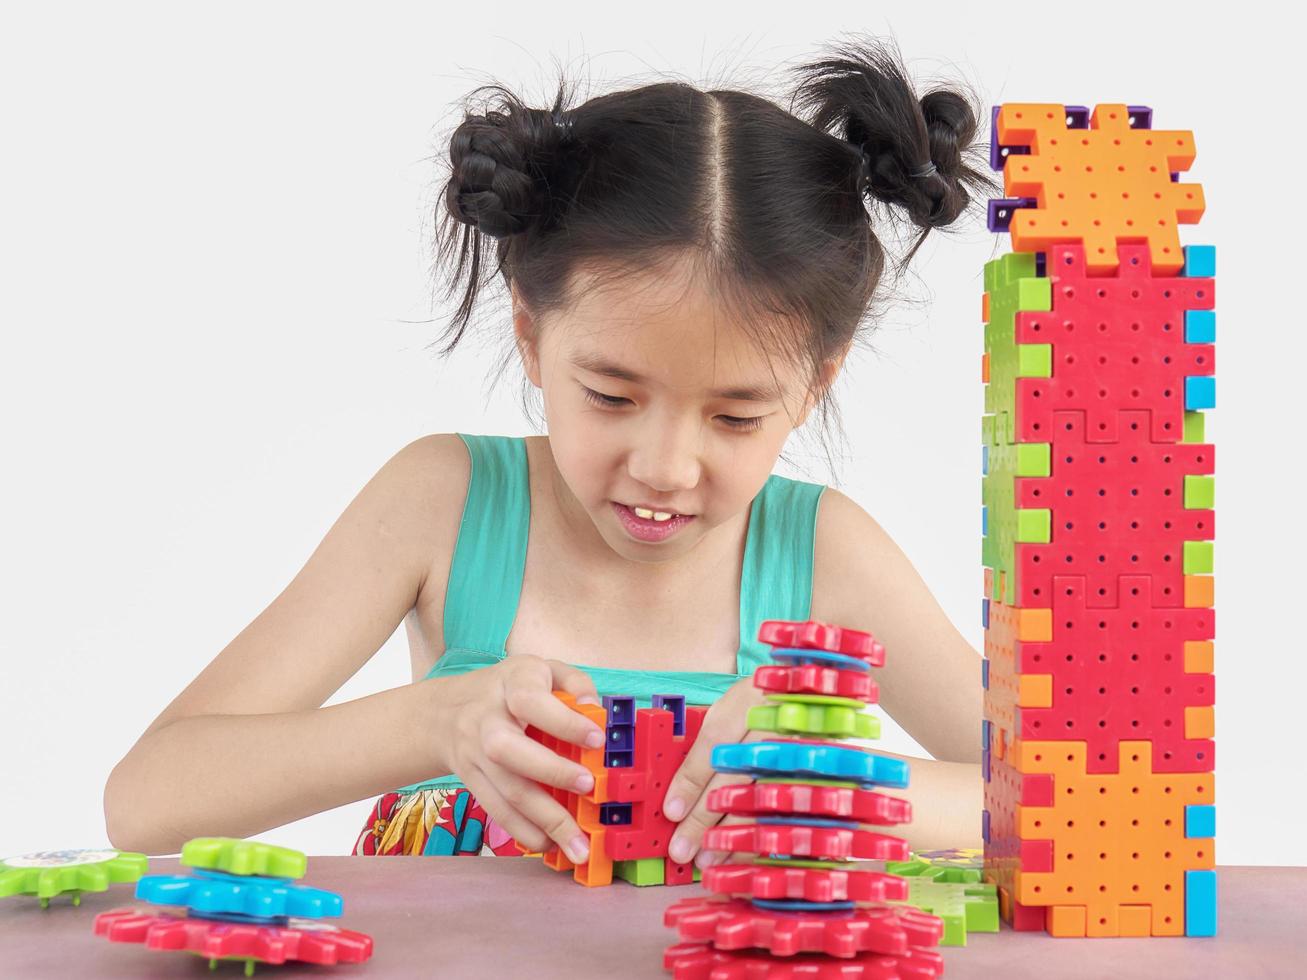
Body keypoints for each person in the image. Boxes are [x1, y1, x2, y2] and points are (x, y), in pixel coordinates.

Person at [104, 34, 998, 866]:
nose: (663, 467)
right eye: (610, 396)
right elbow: (148, 802)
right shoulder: (444, 504)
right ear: (531, 337)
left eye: (734, 418)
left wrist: (840, 782)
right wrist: (434, 721)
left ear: (817, 382)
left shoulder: (825, 555)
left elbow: (1075, 810)